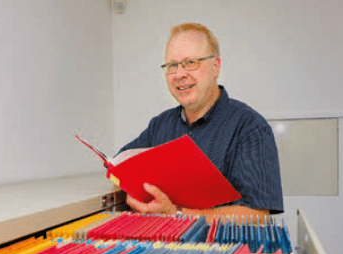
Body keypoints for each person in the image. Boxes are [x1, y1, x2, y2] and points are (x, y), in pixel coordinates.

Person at [119, 23, 283, 221]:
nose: (179, 74)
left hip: (223, 251)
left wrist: (176, 214)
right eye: (172, 66)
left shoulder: (250, 127)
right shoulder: (159, 126)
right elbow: (122, 165)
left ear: (216, 67)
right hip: (164, 245)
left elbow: (257, 216)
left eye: (190, 63)